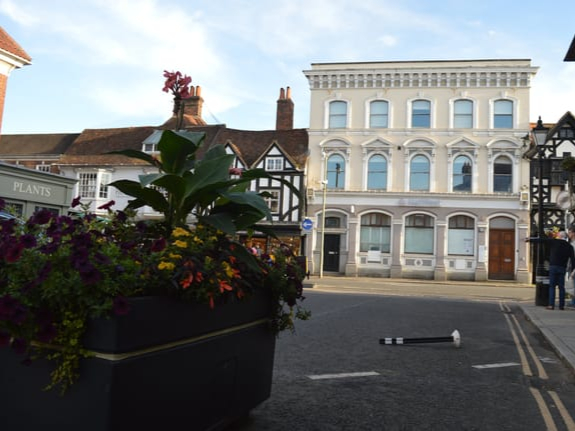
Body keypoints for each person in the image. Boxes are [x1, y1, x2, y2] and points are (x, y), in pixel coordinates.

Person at [528, 229, 575, 310]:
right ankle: (561, 305)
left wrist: (530, 240)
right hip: (562, 267)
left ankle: (551, 305)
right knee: (561, 287)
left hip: (553, 267)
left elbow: (542, 240)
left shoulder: (554, 242)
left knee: (552, 286)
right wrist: (573, 270)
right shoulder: (569, 246)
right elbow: (573, 259)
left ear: (560, 236)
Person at [568, 226, 575, 307]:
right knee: (572, 285)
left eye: (570, 232)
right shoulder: (571, 243)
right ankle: (573, 301)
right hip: (571, 267)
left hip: (574, 268)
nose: (568, 234)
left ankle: (573, 302)